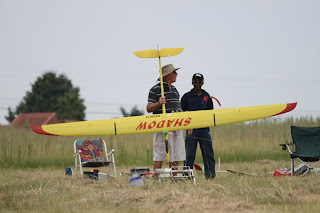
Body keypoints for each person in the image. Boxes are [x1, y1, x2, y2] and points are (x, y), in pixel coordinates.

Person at [146, 64, 186, 172]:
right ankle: (156, 177)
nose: (176, 74)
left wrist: (187, 123)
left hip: (176, 125)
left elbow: (178, 108)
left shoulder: (175, 90)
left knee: (175, 153)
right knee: (160, 152)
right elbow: (149, 108)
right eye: (174, 72)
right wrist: (159, 103)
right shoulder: (155, 89)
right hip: (161, 125)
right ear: (168, 75)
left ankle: (174, 178)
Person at [180, 73, 216, 179]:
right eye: (195, 82)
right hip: (191, 129)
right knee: (190, 154)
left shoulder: (207, 96)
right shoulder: (186, 96)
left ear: (202, 83)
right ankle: (187, 176)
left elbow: (211, 112)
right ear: (192, 83)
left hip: (204, 129)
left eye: (199, 82)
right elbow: (181, 111)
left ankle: (210, 175)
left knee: (208, 152)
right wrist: (187, 125)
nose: (197, 84)